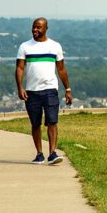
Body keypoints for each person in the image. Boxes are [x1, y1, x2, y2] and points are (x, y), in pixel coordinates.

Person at [15, 17, 72, 164]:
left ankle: (52, 152)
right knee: (35, 123)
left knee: (52, 121)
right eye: (34, 27)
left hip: (50, 89)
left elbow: (61, 69)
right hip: (32, 91)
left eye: (39, 27)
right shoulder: (25, 47)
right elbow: (20, 68)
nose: (35, 30)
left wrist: (67, 89)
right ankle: (39, 153)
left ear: (46, 28)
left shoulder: (55, 46)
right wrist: (20, 87)